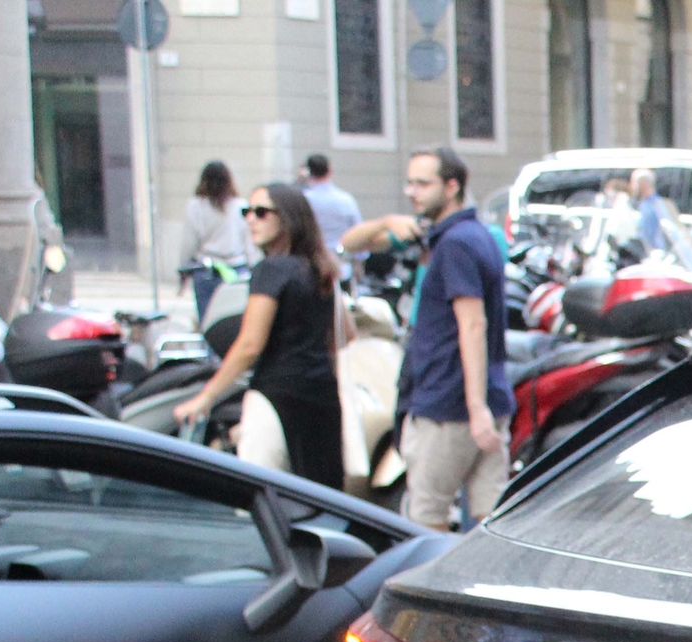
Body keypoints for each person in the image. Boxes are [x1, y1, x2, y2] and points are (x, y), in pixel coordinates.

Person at [342, 147, 510, 530]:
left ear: (451, 187)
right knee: (491, 520)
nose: (412, 192)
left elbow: (473, 324)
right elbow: (350, 243)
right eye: (410, 182)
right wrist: (389, 221)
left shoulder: (454, 244)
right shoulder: (470, 236)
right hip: (479, 396)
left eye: (423, 183)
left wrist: (475, 406)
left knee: (425, 519)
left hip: (449, 400)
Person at [174, 182, 347, 489]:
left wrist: (205, 399)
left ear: (289, 218)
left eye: (262, 212)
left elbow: (250, 344)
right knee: (321, 496)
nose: (251, 219)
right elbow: (344, 335)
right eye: (247, 212)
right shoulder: (322, 269)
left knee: (263, 496)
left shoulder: (270, 270)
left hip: (275, 395)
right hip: (322, 397)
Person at [180, 160, 255, 321]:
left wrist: (184, 267)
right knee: (236, 322)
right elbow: (249, 241)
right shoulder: (240, 205)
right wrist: (254, 266)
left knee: (208, 323)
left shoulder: (195, 206)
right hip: (236, 268)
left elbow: (189, 242)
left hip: (207, 268)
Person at [300, 154, 361, 282]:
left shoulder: (302, 201)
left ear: (308, 172)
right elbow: (358, 231)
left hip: (311, 268)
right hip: (342, 266)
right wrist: (359, 263)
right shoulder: (346, 200)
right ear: (329, 170)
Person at [631, 168, 671, 253]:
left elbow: (649, 236)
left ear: (642, 184)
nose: (632, 187)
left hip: (653, 254)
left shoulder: (651, 206)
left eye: (634, 183)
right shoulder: (648, 203)